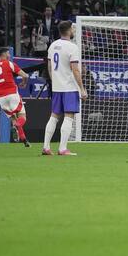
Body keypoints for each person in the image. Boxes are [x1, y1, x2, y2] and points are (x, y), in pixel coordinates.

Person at [43, 21, 88, 156]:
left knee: (54, 116)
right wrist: (82, 89)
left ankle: (46, 147)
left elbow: (50, 67)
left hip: (57, 87)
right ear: (68, 30)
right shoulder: (72, 47)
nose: (74, 30)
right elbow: (75, 70)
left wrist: (55, 81)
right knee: (69, 116)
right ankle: (62, 148)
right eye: (73, 28)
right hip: (69, 87)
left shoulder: (53, 45)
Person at [0, 47, 31, 147]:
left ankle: (24, 140)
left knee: (14, 119)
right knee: (22, 117)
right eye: (8, 53)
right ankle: (17, 126)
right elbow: (25, 76)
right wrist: (24, 83)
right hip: (12, 94)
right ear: (3, 54)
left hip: (1, 98)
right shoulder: (9, 64)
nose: (9, 55)